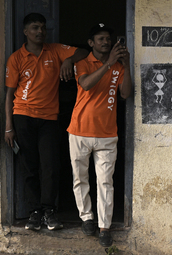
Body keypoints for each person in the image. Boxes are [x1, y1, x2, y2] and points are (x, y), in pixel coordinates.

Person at [4, 13, 88, 231]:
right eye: (34, 28)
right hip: (22, 116)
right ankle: (34, 213)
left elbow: (84, 52)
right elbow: (9, 94)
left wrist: (69, 59)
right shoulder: (16, 58)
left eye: (42, 27)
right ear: (25, 32)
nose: (40, 32)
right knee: (29, 166)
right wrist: (8, 127)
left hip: (49, 118)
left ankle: (49, 211)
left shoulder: (55, 50)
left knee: (50, 166)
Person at [67, 23, 131, 247]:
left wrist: (127, 65)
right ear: (91, 43)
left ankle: (105, 226)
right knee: (80, 178)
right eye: (101, 39)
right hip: (79, 131)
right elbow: (85, 84)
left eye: (108, 39)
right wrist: (109, 64)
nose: (106, 42)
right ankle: (86, 217)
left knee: (105, 182)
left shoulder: (119, 67)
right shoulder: (82, 64)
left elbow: (125, 93)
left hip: (106, 134)